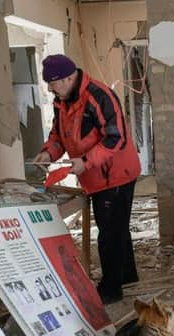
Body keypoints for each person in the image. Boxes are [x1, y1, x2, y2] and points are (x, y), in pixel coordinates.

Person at [33, 54, 139, 304]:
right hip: (94, 175)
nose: (49, 88)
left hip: (115, 174)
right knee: (117, 226)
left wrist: (87, 162)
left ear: (69, 78)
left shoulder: (100, 96)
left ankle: (111, 289)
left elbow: (117, 138)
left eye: (53, 82)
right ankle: (126, 275)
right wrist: (48, 152)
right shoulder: (62, 100)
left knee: (109, 232)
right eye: (47, 83)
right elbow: (59, 135)